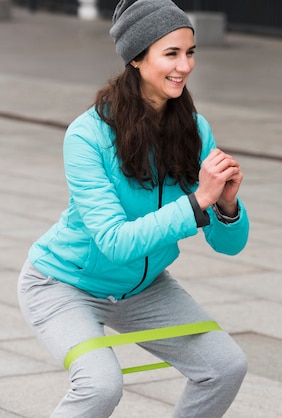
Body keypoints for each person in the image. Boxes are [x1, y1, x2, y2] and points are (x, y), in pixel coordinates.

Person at [17, 0, 249, 416]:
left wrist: (227, 205)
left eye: (190, 52)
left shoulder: (195, 128)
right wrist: (199, 201)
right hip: (64, 284)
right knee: (100, 385)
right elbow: (114, 242)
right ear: (137, 59)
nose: (185, 66)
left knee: (225, 366)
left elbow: (229, 246)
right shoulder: (87, 135)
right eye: (171, 53)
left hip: (143, 288)